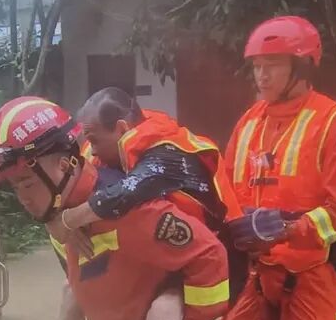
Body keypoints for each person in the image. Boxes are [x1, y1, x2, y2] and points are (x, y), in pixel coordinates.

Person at [0, 97, 231, 320]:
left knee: (164, 312)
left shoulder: (134, 212)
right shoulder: (60, 217)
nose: (23, 197)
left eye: (26, 182)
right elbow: (77, 301)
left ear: (65, 166)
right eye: (15, 187)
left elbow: (211, 256)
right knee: (70, 293)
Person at [215, 15, 336, 320]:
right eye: (256, 66)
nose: (261, 76)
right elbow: (224, 192)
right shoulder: (248, 122)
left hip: (312, 273)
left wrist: (287, 230)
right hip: (253, 273)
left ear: (302, 67)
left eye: (272, 65)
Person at [46, 87, 247, 304]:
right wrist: (55, 219)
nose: (92, 151)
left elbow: (126, 192)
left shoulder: (168, 151)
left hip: (207, 262)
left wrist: (67, 220)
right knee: (71, 296)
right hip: (148, 259)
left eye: (95, 141)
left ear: (122, 129)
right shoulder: (103, 148)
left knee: (163, 315)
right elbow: (58, 188)